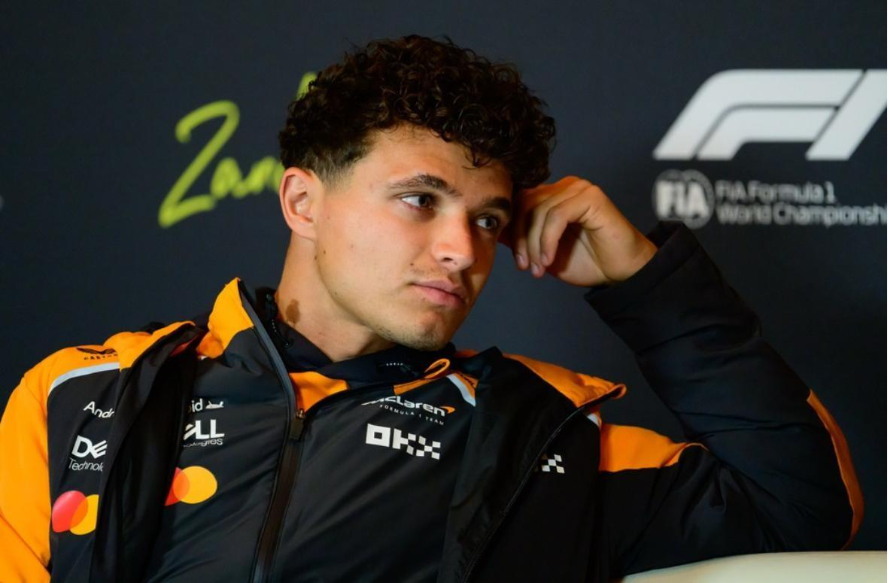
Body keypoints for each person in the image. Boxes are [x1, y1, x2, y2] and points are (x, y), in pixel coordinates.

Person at [0, 34, 862, 583]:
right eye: (420, 199)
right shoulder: (85, 394)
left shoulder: (538, 434)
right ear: (302, 202)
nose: (462, 249)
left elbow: (800, 507)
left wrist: (646, 284)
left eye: (486, 219)